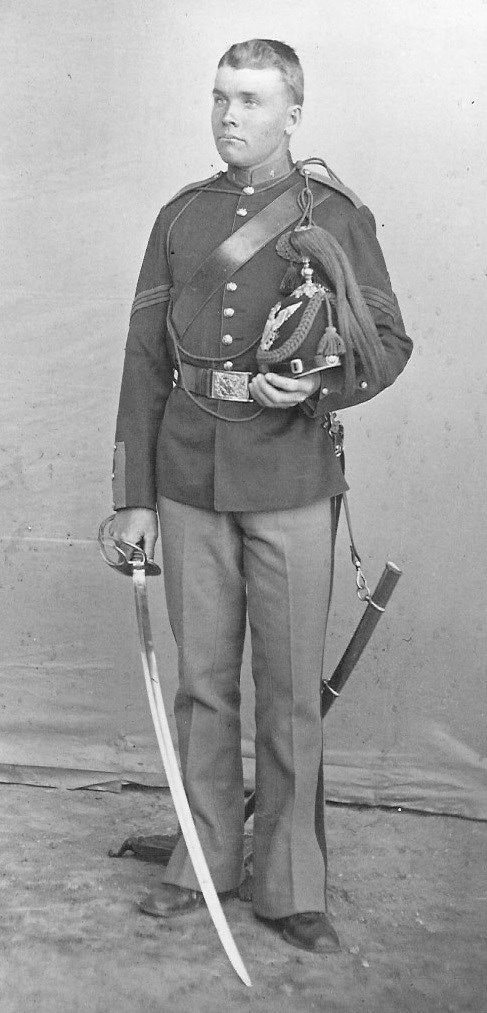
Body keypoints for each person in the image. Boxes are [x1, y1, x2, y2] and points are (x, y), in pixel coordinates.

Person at [109, 39, 412, 953]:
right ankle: (202, 857)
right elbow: (143, 360)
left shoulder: (337, 214)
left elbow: (388, 341)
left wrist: (318, 388)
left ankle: (288, 882)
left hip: (288, 476)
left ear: (292, 113)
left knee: (287, 692)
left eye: (248, 100)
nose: (227, 116)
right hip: (190, 473)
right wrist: (134, 497)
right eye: (217, 98)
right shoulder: (181, 216)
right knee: (203, 684)